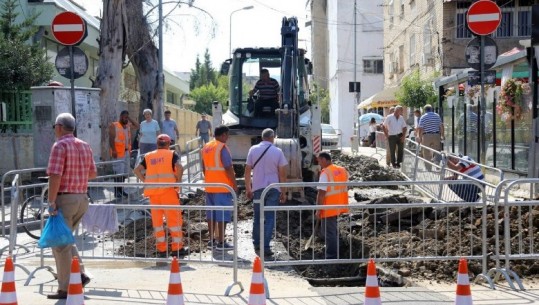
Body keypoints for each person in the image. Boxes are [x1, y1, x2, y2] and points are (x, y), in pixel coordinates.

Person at [46, 113, 97, 299]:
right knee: (65, 241)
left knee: (60, 245)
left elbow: (55, 175)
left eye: (54, 127)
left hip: (65, 200)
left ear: (59, 126)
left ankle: (66, 288)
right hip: (81, 198)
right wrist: (77, 174)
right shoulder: (84, 145)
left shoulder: (59, 145)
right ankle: (80, 274)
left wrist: (51, 202)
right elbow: (93, 173)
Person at [133, 134, 187, 257]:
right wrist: (178, 181)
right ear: (168, 144)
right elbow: (179, 167)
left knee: (157, 223)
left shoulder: (148, 156)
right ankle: (177, 248)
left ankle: (162, 250)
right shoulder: (171, 154)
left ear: (157, 144)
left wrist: (145, 180)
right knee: (174, 222)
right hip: (168, 193)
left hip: (154, 195)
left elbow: (136, 170)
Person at [244, 128, 287, 257]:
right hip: (273, 188)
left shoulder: (253, 150)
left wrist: (248, 188)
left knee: (257, 216)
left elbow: (247, 171)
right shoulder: (278, 152)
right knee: (269, 217)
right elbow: (282, 174)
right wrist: (283, 191)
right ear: (272, 137)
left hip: (258, 189)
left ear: (262, 137)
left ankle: (257, 243)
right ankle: (265, 246)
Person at [201, 125, 238, 250]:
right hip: (221, 187)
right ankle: (221, 242)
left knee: (211, 214)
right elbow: (228, 168)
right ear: (223, 135)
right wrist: (234, 184)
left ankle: (211, 241)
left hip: (209, 186)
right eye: (227, 135)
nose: (227, 138)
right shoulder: (221, 147)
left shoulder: (206, 147)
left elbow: (203, 167)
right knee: (222, 214)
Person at [316, 152, 349, 259]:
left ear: (324, 160)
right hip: (339, 204)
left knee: (329, 231)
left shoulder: (326, 173)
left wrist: (318, 209)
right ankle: (332, 247)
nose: (319, 163)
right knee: (329, 230)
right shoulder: (341, 170)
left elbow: (321, 193)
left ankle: (331, 256)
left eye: (320, 161)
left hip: (329, 206)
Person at [109, 110, 139, 198]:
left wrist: (129, 118)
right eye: (125, 117)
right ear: (121, 116)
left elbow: (137, 126)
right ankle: (117, 191)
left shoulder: (127, 126)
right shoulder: (114, 125)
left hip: (126, 152)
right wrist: (113, 150)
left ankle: (121, 190)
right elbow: (111, 139)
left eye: (127, 117)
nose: (126, 119)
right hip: (118, 153)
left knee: (124, 173)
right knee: (118, 173)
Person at [416, 104, 444, 171]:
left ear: (425, 110)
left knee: (426, 151)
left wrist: (419, 137)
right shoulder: (437, 116)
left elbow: (420, 128)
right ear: (431, 109)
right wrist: (442, 135)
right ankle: (437, 164)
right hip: (436, 135)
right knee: (437, 150)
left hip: (426, 136)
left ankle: (428, 168)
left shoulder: (423, 117)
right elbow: (441, 126)